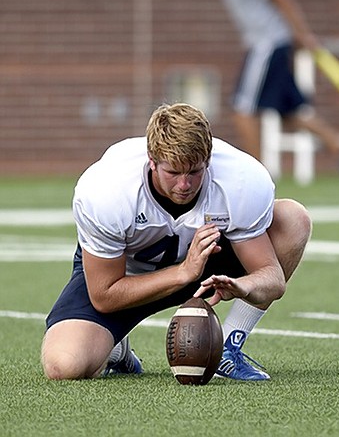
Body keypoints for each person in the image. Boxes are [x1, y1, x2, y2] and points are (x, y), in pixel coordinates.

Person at [41, 102, 312, 381]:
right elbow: (104, 296)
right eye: (173, 172)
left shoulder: (241, 179)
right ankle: (116, 350)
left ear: (209, 159)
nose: (184, 185)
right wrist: (183, 273)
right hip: (127, 276)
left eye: (194, 172)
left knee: (292, 219)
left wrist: (245, 285)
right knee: (65, 366)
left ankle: (227, 349)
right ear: (152, 160)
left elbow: (273, 279)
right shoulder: (107, 190)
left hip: (209, 267)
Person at [188, 0, 339, 161]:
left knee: (242, 109)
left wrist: (302, 35)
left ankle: (255, 172)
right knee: (291, 114)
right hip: (266, 43)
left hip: (266, 44)